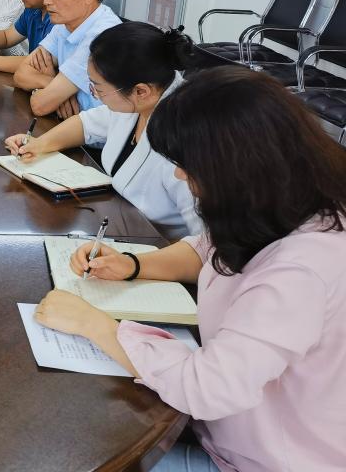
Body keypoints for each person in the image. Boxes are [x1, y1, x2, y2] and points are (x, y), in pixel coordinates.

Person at [34, 67, 346, 472]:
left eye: (186, 163)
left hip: (259, 459)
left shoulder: (303, 270)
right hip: (224, 428)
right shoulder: (283, 205)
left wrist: (96, 326)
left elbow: (208, 388)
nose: (179, 174)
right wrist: (133, 264)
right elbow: (207, 247)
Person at [4, 22, 201, 239]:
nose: (95, 95)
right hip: (119, 228)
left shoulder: (187, 137)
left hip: (160, 246)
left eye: (97, 89)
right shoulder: (138, 101)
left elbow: (205, 243)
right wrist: (39, 144)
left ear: (141, 91)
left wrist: (133, 259)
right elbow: (87, 124)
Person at [14, 0, 121, 118]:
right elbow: (21, 74)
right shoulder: (65, 23)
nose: (47, 0)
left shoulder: (103, 36)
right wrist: (51, 84)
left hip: (100, 133)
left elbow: (40, 105)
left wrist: (50, 92)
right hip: (72, 125)